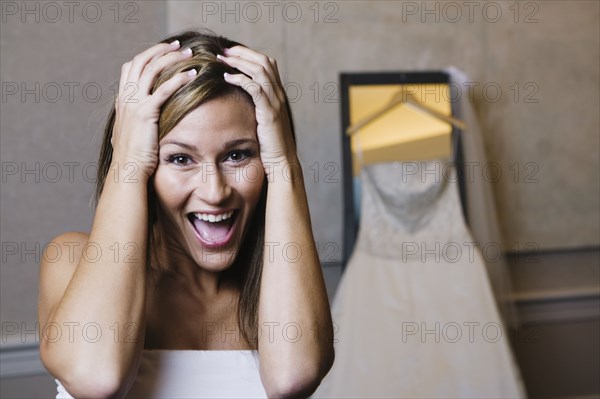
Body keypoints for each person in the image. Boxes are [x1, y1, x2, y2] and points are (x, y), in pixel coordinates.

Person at [38, 29, 335, 398]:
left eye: (238, 154)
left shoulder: (280, 280)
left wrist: (285, 162)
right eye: (180, 158)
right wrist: (127, 162)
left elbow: (294, 376)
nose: (215, 191)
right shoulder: (69, 259)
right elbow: (97, 378)